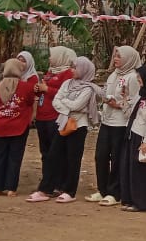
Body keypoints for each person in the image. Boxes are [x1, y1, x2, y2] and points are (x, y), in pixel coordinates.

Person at [43, 57, 103, 204]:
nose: (72, 70)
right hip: (63, 122)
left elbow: (77, 105)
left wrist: (64, 102)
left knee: (73, 159)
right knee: (53, 155)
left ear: (84, 70)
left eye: (75, 68)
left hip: (78, 125)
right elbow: (56, 101)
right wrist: (67, 106)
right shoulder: (67, 83)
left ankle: (69, 191)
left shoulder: (88, 89)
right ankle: (45, 188)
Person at [89, 46, 140, 206]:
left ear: (128, 59)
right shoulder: (114, 74)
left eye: (119, 56)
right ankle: (102, 189)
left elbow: (135, 102)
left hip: (121, 123)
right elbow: (106, 91)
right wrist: (104, 97)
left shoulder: (133, 77)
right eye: (115, 56)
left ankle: (115, 192)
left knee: (117, 158)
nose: (115, 59)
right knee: (101, 156)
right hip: (107, 121)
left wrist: (118, 105)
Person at [0, 58, 35, 197]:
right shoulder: (26, 87)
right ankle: (11, 188)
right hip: (19, 128)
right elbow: (30, 102)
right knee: (15, 158)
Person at [33, 46, 76, 200]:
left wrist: (47, 89)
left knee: (56, 153)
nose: (50, 58)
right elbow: (45, 90)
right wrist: (38, 89)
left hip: (55, 117)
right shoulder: (51, 72)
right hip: (42, 117)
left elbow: (67, 94)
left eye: (52, 55)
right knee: (45, 153)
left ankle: (59, 184)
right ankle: (47, 182)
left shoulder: (68, 73)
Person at [120, 64, 146, 213]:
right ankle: (129, 199)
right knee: (128, 168)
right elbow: (128, 114)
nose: (138, 79)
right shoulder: (141, 94)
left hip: (141, 137)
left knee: (139, 171)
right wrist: (125, 99)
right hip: (130, 133)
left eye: (140, 76)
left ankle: (141, 202)